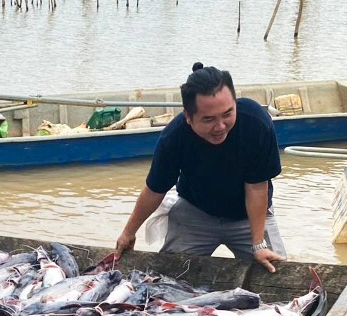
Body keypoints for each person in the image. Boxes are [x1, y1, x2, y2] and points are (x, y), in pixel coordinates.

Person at [115, 63, 286, 273]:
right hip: (195, 212)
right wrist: (128, 233)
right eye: (208, 119)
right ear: (188, 116)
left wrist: (258, 244)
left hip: (249, 217)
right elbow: (154, 190)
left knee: (276, 273)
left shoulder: (256, 123)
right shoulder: (174, 137)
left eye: (227, 114)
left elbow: (257, 188)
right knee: (166, 278)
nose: (220, 126)